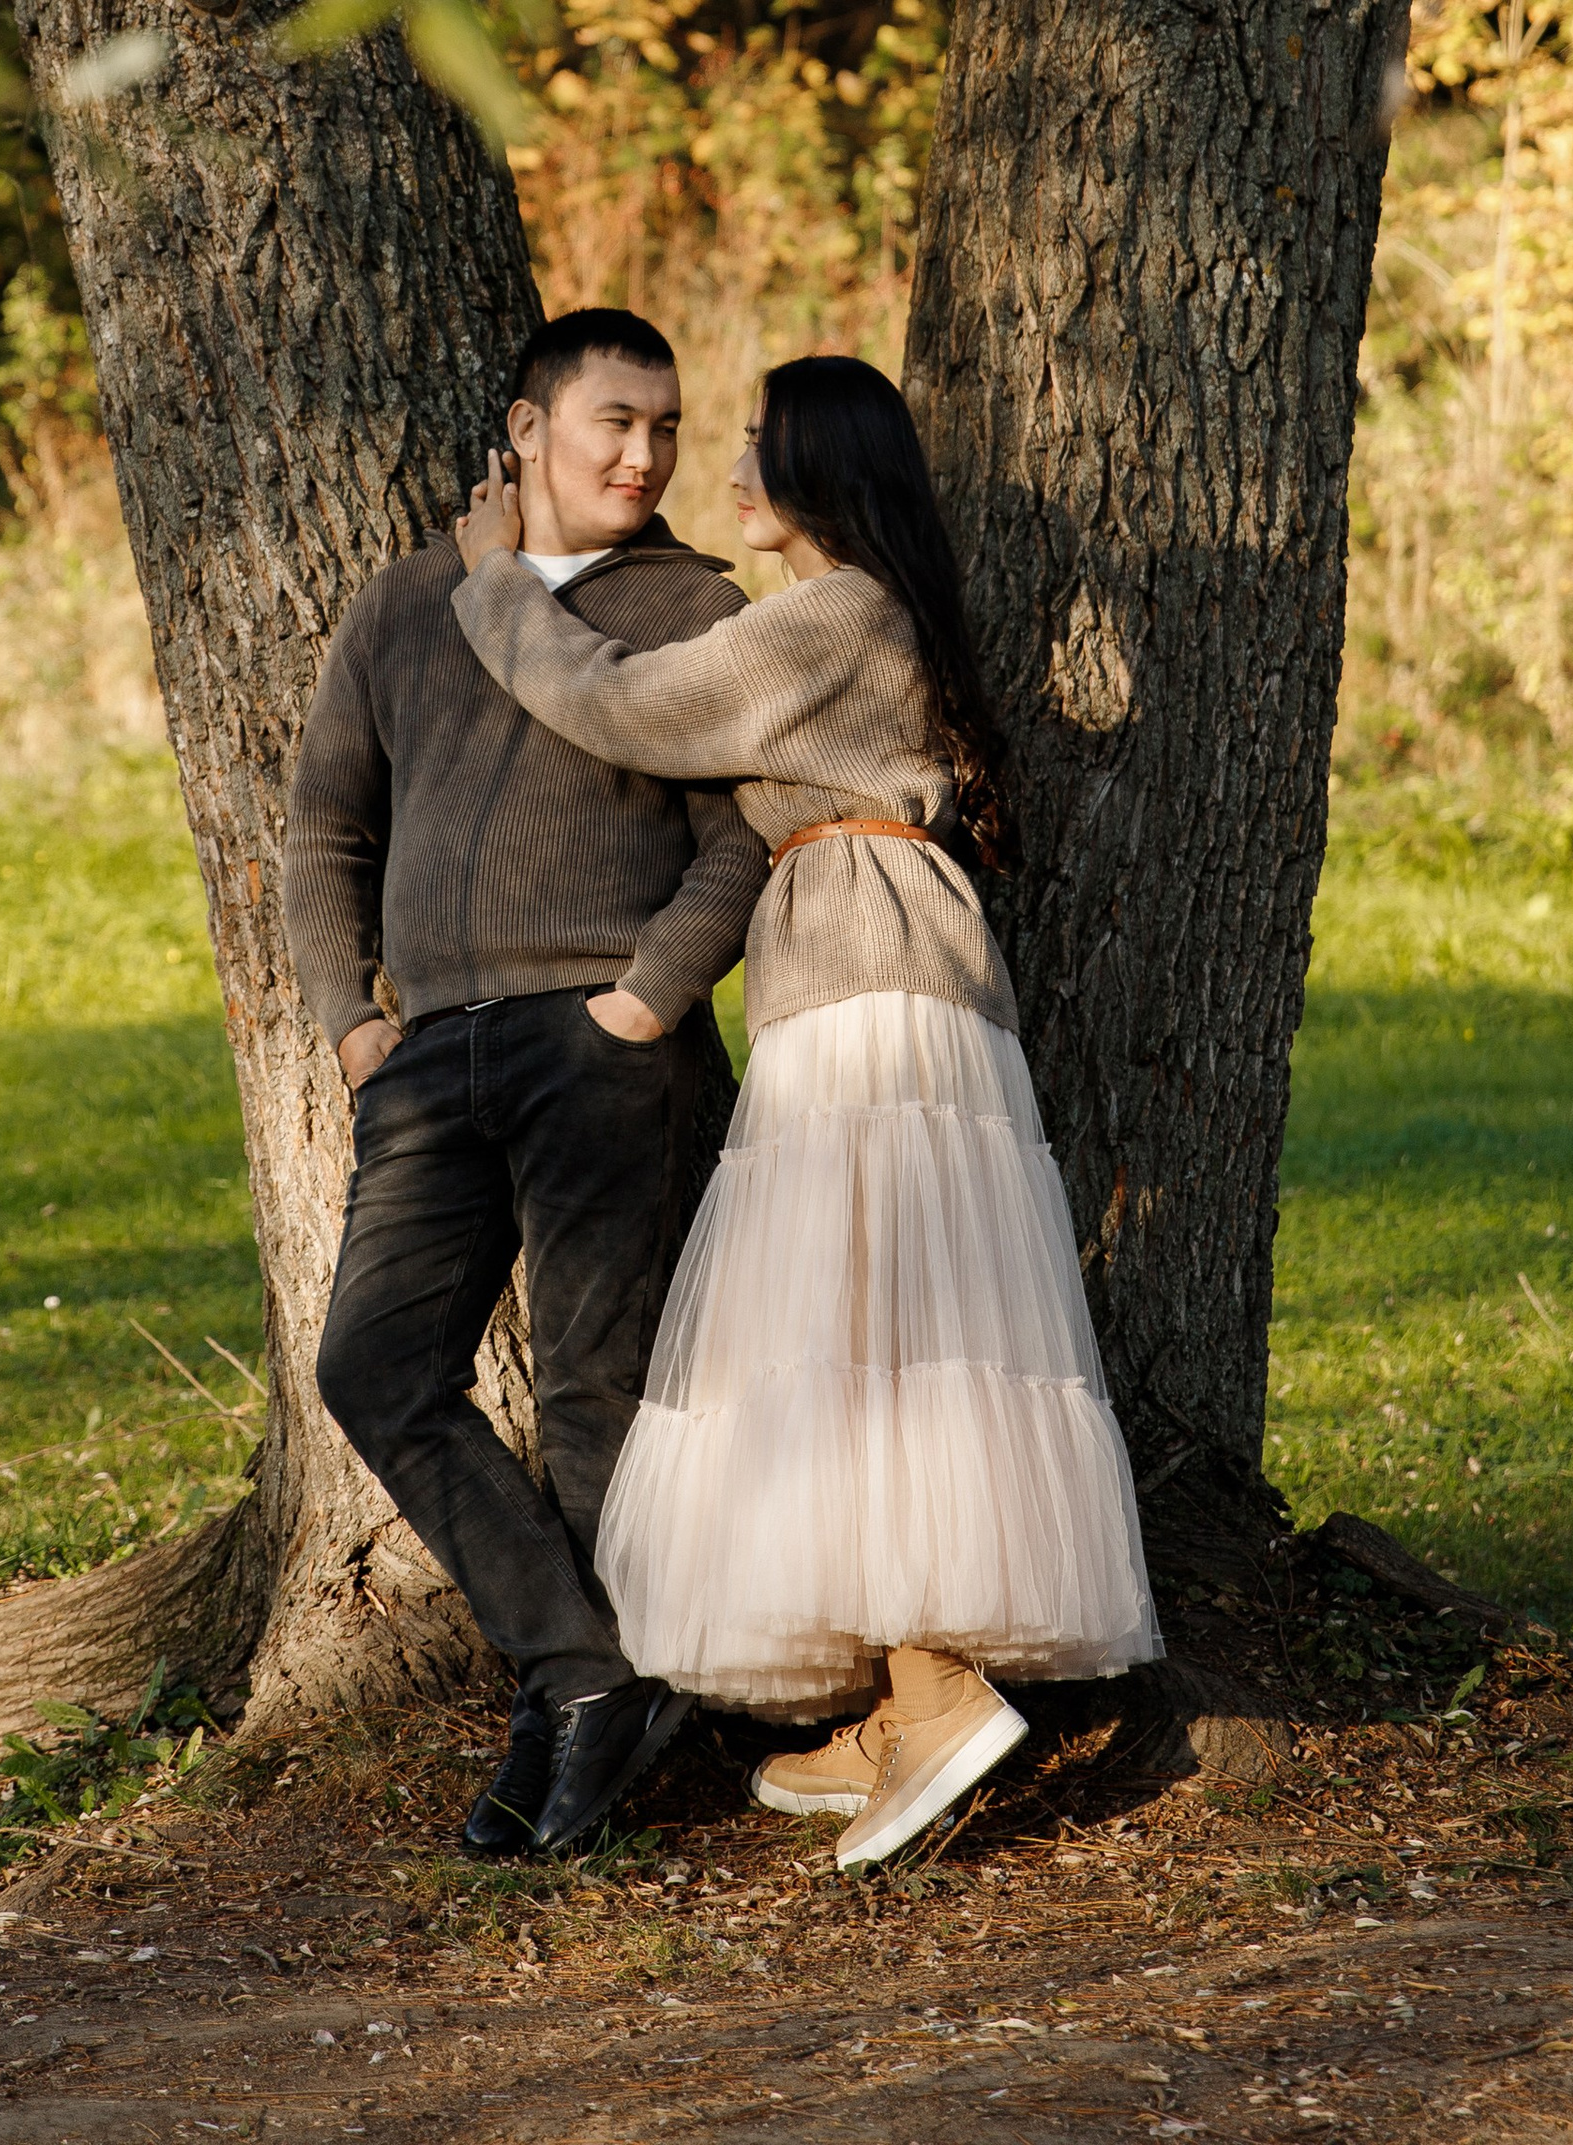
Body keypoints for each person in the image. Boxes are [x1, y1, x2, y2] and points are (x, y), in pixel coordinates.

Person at [450, 353, 1158, 1873]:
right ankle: (903, 1700)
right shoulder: (854, 619)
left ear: (821, 470)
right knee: (871, 1343)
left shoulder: (832, 615)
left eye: (760, 441)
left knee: (855, 1344)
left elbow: (623, 705)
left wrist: (500, 585)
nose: (734, 461)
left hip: (866, 977)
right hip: (870, 963)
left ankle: (937, 1687)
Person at [285, 310, 770, 1861]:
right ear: (526, 426)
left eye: (669, 428)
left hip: (603, 1042)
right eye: (614, 422)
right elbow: (324, 835)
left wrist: (649, 994)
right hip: (429, 1054)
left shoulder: (695, 604)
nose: (643, 456)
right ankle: (587, 1678)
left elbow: (749, 832)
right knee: (372, 1363)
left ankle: (613, 1705)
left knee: (588, 1388)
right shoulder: (408, 602)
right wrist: (349, 1021)